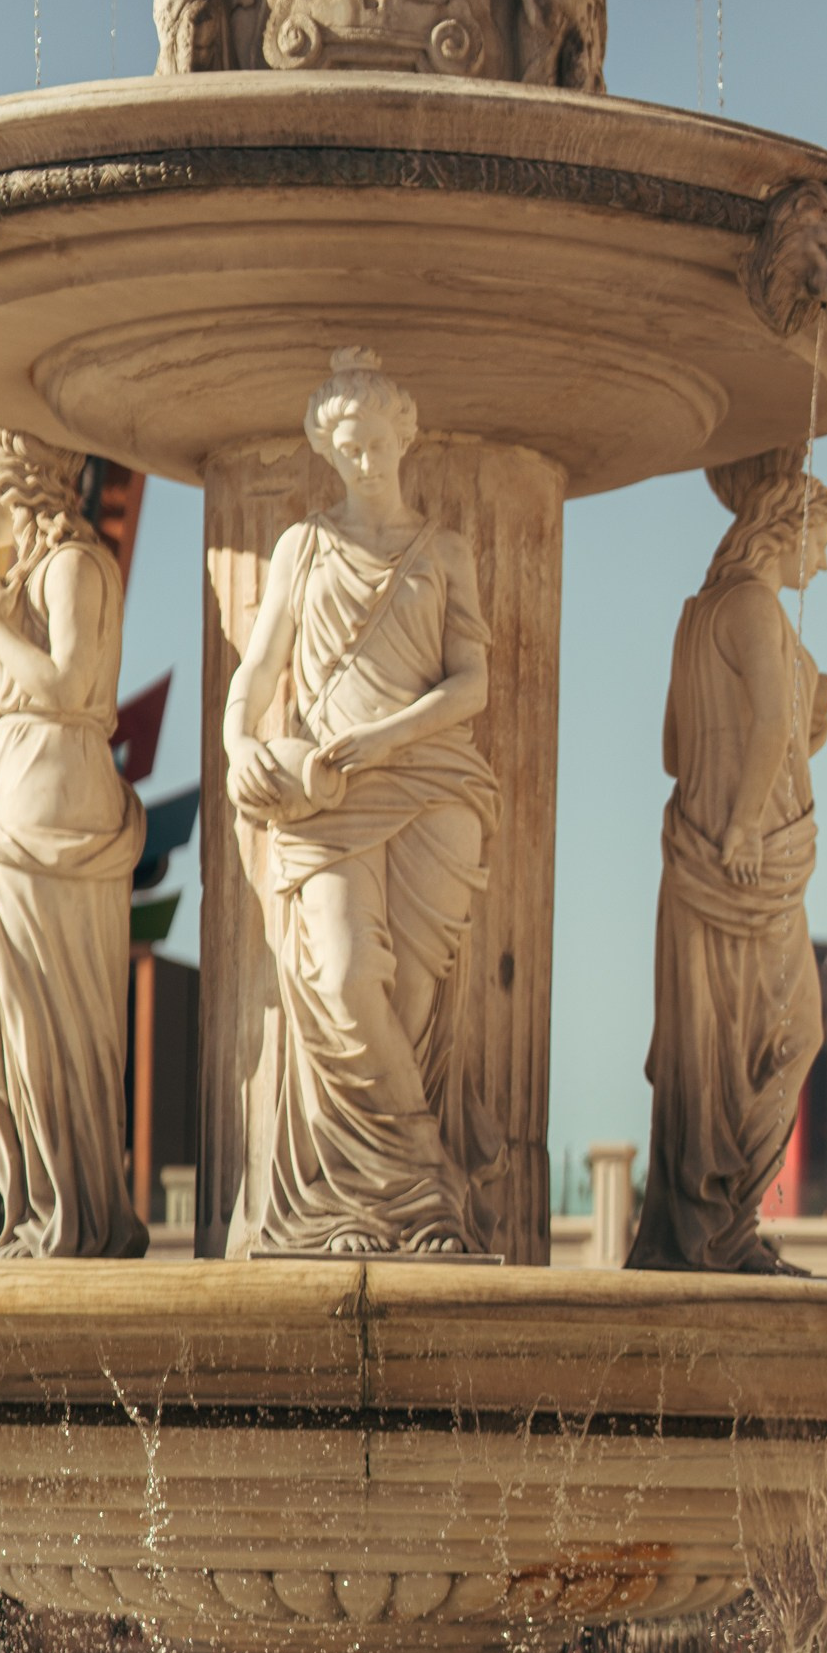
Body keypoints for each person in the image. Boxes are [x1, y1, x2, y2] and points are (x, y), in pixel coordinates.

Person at [223, 347, 500, 1256]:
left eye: (378, 439)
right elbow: (255, 673)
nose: (365, 457)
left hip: (430, 786)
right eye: (347, 443)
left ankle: (381, 1206)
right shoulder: (303, 547)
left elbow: (473, 685)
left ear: (404, 438)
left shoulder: (444, 551)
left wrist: (387, 739)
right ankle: (422, 1173)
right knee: (343, 980)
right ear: (326, 450)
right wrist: (239, 744)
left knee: (409, 1003)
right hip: (327, 796)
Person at [0, 426, 146, 1260]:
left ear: (16, 489)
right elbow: (26, 709)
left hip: (59, 810)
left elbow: (67, 688)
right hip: (21, 795)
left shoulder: (75, 568)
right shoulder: (30, 577)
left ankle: (79, 1212)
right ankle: (31, 1206)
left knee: (50, 1011)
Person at [627, 450, 827, 1276]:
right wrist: (749, 822)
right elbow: (773, 731)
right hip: (746, 864)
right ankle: (721, 1229)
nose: (824, 560)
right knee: (789, 1036)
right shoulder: (753, 607)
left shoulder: (699, 613)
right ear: (786, 531)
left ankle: (705, 1227)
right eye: (820, 539)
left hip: (700, 853)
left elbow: (676, 747)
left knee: (708, 1047)